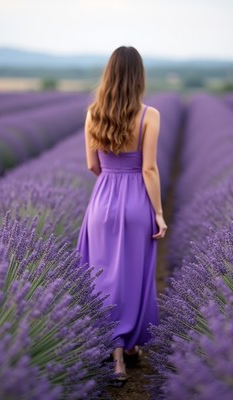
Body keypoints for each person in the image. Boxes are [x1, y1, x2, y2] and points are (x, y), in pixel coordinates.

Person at [76, 46, 167, 382]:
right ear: (138, 77)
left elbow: (92, 165)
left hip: (102, 202)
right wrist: (158, 212)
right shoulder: (149, 115)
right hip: (136, 204)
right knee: (133, 275)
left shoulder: (93, 113)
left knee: (102, 278)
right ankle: (131, 346)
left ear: (109, 75)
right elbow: (149, 169)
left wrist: (111, 182)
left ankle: (116, 357)